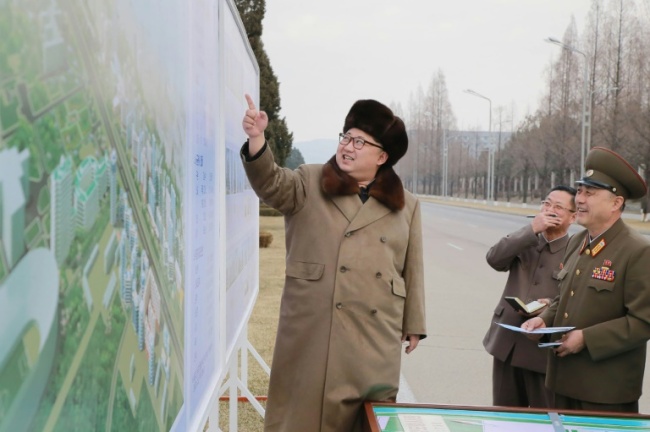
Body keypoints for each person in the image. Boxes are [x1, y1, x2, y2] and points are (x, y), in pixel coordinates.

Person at [240, 94, 426, 432]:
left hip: (374, 337)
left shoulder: (407, 206)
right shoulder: (309, 181)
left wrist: (414, 322)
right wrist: (257, 140)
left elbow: (412, 269)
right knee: (304, 416)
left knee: (366, 420)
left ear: (382, 156)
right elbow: (270, 183)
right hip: (314, 329)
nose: (348, 146)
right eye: (346, 137)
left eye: (359, 141)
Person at [522, 147, 650, 413]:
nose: (579, 199)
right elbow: (564, 297)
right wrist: (544, 319)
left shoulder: (637, 251)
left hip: (606, 391)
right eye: (579, 191)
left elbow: (642, 322)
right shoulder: (578, 241)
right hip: (563, 381)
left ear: (616, 203)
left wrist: (586, 339)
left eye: (590, 193)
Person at [483, 185, 577, 408]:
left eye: (558, 207)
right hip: (507, 343)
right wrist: (531, 229)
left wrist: (549, 305)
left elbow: (578, 297)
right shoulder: (526, 239)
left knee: (542, 417)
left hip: (542, 351)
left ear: (573, 217)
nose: (550, 210)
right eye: (546, 204)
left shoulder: (575, 251)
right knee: (504, 415)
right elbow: (494, 259)